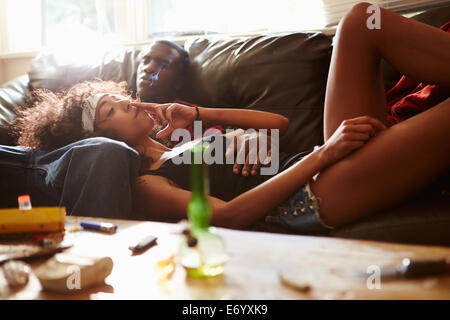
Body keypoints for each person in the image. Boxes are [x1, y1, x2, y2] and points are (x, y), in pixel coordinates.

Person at [7, 3, 450, 232]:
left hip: (326, 157)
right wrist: (322, 155)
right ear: (100, 137)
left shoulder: (180, 138)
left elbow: (279, 126)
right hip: (308, 195)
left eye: (116, 97)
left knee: (361, 20)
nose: (126, 101)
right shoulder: (145, 182)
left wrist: (199, 113)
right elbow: (228, 217)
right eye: (110, 109)